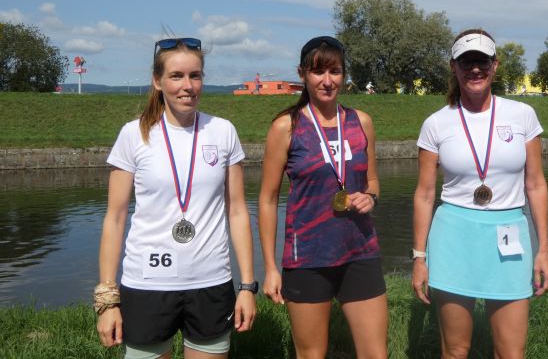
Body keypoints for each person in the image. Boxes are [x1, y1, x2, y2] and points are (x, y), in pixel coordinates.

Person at [96, 38, 256, 359]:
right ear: (157, 81)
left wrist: (248, 286)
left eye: (195, 75)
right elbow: (115, 218)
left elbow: (238, 211)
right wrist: (107, 300)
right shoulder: (134, 134)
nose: (188, 86)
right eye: (176, 76)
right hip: (147, 282)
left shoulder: (223, 131)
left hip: (211, 281)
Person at [412, 29, 548, 358]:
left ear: (495, 65)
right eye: (466, 62)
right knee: (456, 350)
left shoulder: (522, 115)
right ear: (454, 66)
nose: (475, 69)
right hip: (453, 238)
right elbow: (424, 194)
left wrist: (544, 249)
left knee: (511, 352)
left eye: (482, 61)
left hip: (509, 236)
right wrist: (419, 258)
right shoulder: (436, 123)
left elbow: (535, 184)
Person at [259, 36, 388, 358]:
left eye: (335, 71)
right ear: (302, 74)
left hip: (360, 250)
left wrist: (370, 197)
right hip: (308, 257)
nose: (327, 81)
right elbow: (267, 200)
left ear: (344, 74)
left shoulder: (361, 122)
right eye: (318, 72)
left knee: (375, 354)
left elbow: (373, 181)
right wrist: (270, 268)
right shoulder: (286, 127)